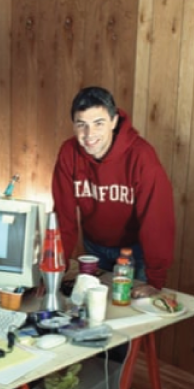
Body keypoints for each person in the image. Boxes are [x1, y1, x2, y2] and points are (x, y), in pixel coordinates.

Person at [51, 86, 176, 297]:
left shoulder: (142, 157)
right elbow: (64, 216)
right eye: (82, 124)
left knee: (134, 316)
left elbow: (157, 220)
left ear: (114, 121)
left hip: (136, 252)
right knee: (94, 311)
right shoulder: (68, 153)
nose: (89, 134)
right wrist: (54, 270)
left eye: (98, 123)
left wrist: (155, 280)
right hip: (94, 248)